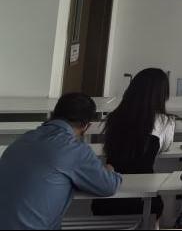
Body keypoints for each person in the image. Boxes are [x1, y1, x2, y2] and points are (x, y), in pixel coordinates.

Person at [0, 93, 121, 230]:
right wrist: (110, 171)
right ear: (86, 126)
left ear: (54, 114)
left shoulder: (23, 139)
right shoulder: (73, 149)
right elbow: (108, 186)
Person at [93, 68, 175, 218]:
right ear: (162, 94)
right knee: (156, 209)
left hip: (108, 195)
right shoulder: (165, 121)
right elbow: (164, 147)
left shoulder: (113, 118)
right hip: (143, 196)